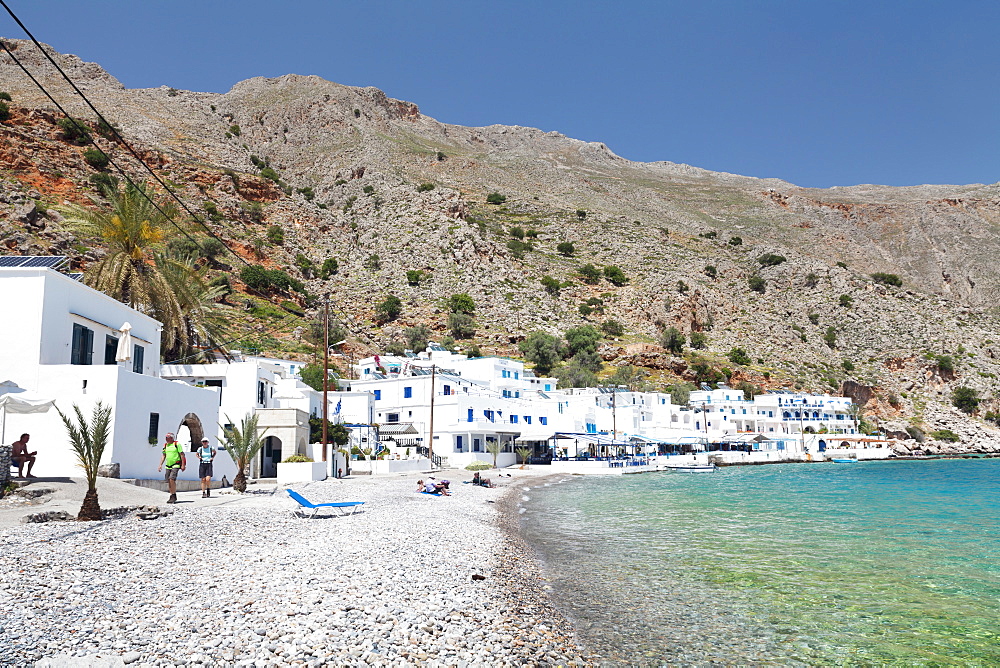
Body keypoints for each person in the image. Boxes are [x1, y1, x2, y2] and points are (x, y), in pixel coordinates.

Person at [157, 432, 186, 504]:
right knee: (168, 480)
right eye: (166, 437)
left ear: (172, 438)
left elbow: (182, 455)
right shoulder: (166, 445)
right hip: (168, 465)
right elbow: (164, 455)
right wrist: (160, 464)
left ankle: (173, 495)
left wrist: (183, 465)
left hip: (176, 464)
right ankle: (172, 494)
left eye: (168, 437)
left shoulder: (177, 444)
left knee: (172, 479)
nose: (166, 439)